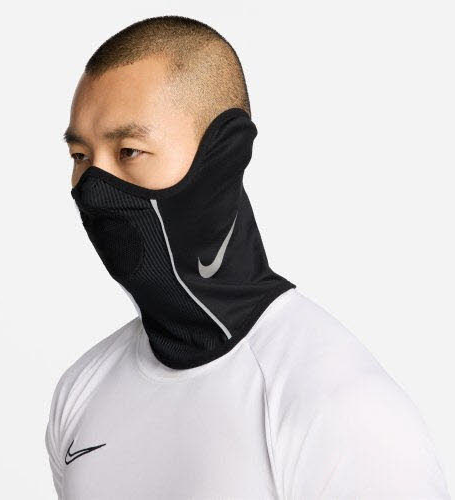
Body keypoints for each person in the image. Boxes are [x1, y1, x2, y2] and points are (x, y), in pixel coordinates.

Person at [45, 15, 450, 500]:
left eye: (129, 151)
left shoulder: (339, 407)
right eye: (80, 157)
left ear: (223, 153)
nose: (94, 188)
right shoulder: (82, 391)